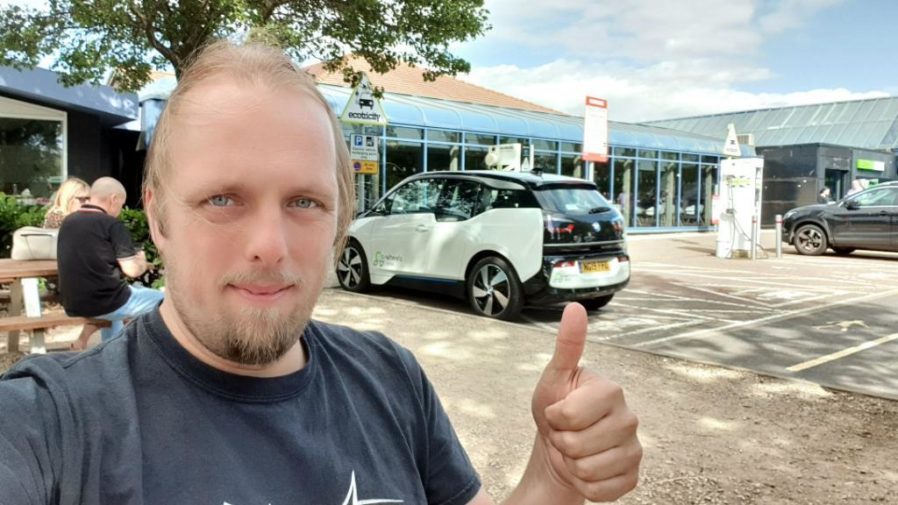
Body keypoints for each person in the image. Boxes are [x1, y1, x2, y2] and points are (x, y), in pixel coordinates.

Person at [0, 41, 641, 504]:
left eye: (304, 202)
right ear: (159, 218)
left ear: (340, 221)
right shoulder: (49, 425)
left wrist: (551, 480)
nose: (270, 246)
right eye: (223, 199)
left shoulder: (392, 379)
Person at [56, 177, 164, 349]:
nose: (120, 210)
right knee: (167, 301)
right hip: (107, 302)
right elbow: (132, 271)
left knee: (115, 302)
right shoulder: (111, 224)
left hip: (73, 303)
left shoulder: (68, 222)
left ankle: (111, 354)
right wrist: (141, 263)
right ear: (114, 199)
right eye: (121, 204)